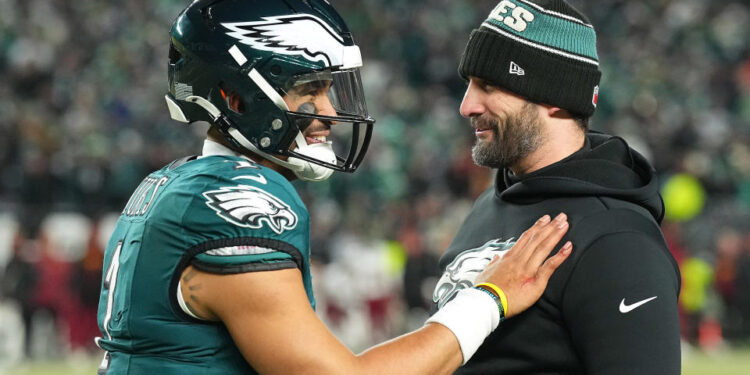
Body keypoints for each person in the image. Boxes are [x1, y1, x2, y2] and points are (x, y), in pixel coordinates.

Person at [95, 1, 574, 374]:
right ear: (236, 97)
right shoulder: (235, 200)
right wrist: (489, 297)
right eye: (308, 90)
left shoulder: (169, 183)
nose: (326, 112)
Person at [431, 0, 682, 374]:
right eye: (469, 85)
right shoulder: (492, 200)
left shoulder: (617, 241)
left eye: (488, 85)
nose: (467, 105)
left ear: (554, 95)